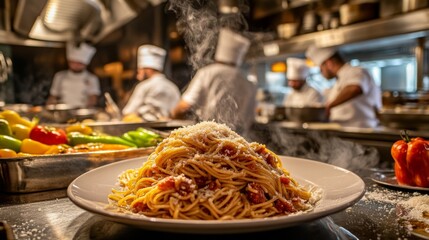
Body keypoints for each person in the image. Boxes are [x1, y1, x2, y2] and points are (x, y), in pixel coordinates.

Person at [171, 28, 257, 134]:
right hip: (239, 140)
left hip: (208, 138)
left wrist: (173, 116)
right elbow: (251, 118)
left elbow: (184, 107)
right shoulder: (248, 81)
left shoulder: (207, 73)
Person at [305, 44, 382, 128]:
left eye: (321, 68)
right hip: (344, 131)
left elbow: (354, 88)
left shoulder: (356, 71)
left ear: (329, 63)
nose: (321, 72)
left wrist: (329, 106)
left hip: (362, 130)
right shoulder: (339, 80)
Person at [121, 44, 181, 122]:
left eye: (140, 69)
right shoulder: (173, 87)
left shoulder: (143, 86)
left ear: (148, 69)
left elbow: (128, 113)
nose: (138, 72)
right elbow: (178, 112)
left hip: (144, 130)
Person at [47, 42, 100, 108]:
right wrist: (49, 107)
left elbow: (93, 97)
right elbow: (53, 96)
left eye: (80, 63)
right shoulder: (59, 76)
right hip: (63, 110)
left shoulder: (92, 78)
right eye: (73, 62)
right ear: (69, 62)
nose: (76, 65)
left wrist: (89, 109)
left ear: (86, 64)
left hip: (83, 111)